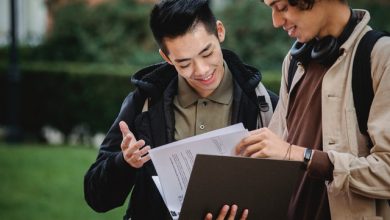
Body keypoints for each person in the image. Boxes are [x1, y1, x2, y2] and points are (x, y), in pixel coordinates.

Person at [84, 0, 278, 219]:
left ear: (220, 32)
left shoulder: (266, 106)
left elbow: (288, 197)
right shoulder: (144, 104)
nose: (202, 70)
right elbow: (97, 198)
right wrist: (124, 162)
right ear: (167, 58)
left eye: (207, 53)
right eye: (185, 63)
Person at [236, 0, 390, 219]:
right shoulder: (293, 61)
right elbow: (275, 153)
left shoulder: (382, 57)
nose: (276, 21)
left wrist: (304, 156)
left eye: (281, 7)